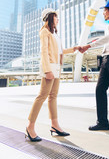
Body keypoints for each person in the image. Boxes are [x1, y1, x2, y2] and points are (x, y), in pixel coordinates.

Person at [26, 8, 79, 141]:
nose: (58, 19)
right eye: (56, 17)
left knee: (53, 96)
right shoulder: (44, 32)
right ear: (50, 17)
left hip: (56, 67)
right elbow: (44, 52)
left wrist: (75, 49)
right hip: (49, 67)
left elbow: (60, 51)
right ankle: (30, 127)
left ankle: (54, 125)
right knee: (42, 96)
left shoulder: (54, 34)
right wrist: (47, 70)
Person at [79, 0, 109, 134]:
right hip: (106, 59)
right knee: (100, 89)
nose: (103, 13)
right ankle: (102, 122)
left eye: (105, 10)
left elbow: (108, 38)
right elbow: (106, 39)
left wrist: (88, 46)